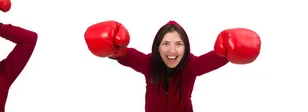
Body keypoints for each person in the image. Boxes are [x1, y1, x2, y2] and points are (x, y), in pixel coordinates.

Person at [84, 20, 261, 112]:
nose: (172, 50)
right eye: (166, 43)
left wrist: (229, 51)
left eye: (179, 44)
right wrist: (116, 50)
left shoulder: (192, 65)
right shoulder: (149, 64)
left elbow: (215, 58)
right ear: (157, 46)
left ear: (186, 47)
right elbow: (127, 56)